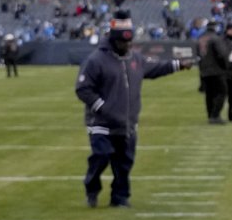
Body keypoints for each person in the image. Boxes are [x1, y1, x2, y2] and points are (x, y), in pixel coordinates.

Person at [74, 11, 190, 207]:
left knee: (124, 164)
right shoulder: (96, 60)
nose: (127, 46)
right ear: (113, 40)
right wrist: (102, 107)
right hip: (101, 123)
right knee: (100, 158)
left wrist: (178, 65)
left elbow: (155, 69)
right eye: (122, 42)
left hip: (127, 122)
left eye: (129, 42)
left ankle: (120, 198)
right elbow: (83, 89)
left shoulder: (134, 58)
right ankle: (92, 189)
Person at [198, 25, 231, 124]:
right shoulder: (216, 39)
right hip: (216, 70)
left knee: (209, 94)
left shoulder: (201, 39)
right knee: (222, 92)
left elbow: (198, 56)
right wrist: (226, 66)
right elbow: (222, 54)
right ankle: (215, 115)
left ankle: (210, 115)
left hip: (204, 70)